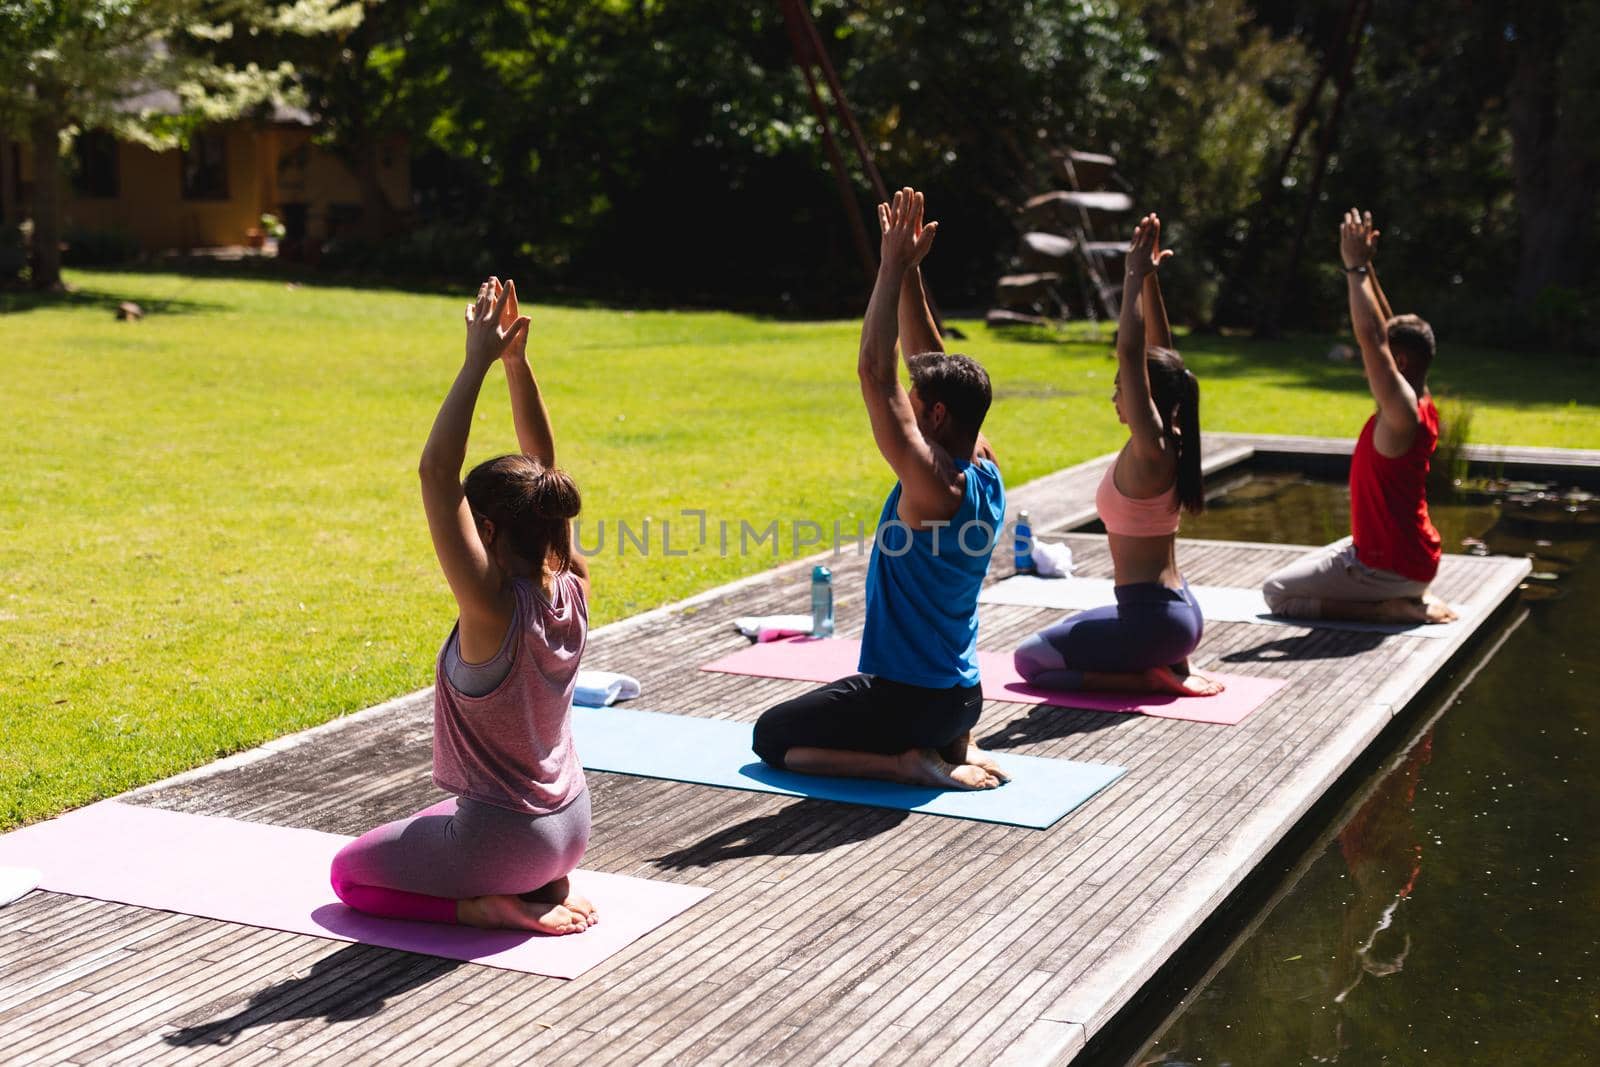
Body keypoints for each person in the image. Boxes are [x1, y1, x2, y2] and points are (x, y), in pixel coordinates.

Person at [329, 277, 598, 935]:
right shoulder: (572, 582)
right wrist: (517, 363)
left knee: (347, 873)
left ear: (485, 528)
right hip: (572, 822)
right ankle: (538, 882)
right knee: (426, 819)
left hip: (509, 841)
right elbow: (543, 468)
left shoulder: (490, 607)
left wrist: (477, 360)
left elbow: (434, 473)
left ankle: (486, 906)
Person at [751, 188, 1008, 790]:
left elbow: (875, 371)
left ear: (938, 416)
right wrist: (912, 271)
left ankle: (904, 764)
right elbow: (928, 359)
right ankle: (951, 747)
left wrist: (889, 266)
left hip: (908, 703)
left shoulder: (932, 486)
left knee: (771, 738)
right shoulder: (983, 464)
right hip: (961, 700)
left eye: (918, 406)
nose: (908, 410)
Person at [1012, 214, 1222, 697]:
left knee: (1030, 661)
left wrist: (1129, 277)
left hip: (1157, 624)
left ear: (1144, 395)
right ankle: (1166, 665)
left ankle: (1145, 676)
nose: (1115, 397)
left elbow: (1132, 354)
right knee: (1070, 627)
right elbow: (1160, 356)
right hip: (1173, 614)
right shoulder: (1171, 438)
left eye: (1119, 390)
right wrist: (1148, 280)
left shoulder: (1153, 449)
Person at [1260, 209, 1456, 624]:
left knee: (1276, 592)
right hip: (1407, 556)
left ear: (1397, 360)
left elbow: (1372, 338)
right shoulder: (1420, 400)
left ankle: (1386, 610)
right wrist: (1366, 266)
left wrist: (1352, 267)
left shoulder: (1400, 411)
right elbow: (1384, 331)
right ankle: (1401, 595)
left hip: (1388, 568)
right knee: (1319, 562)